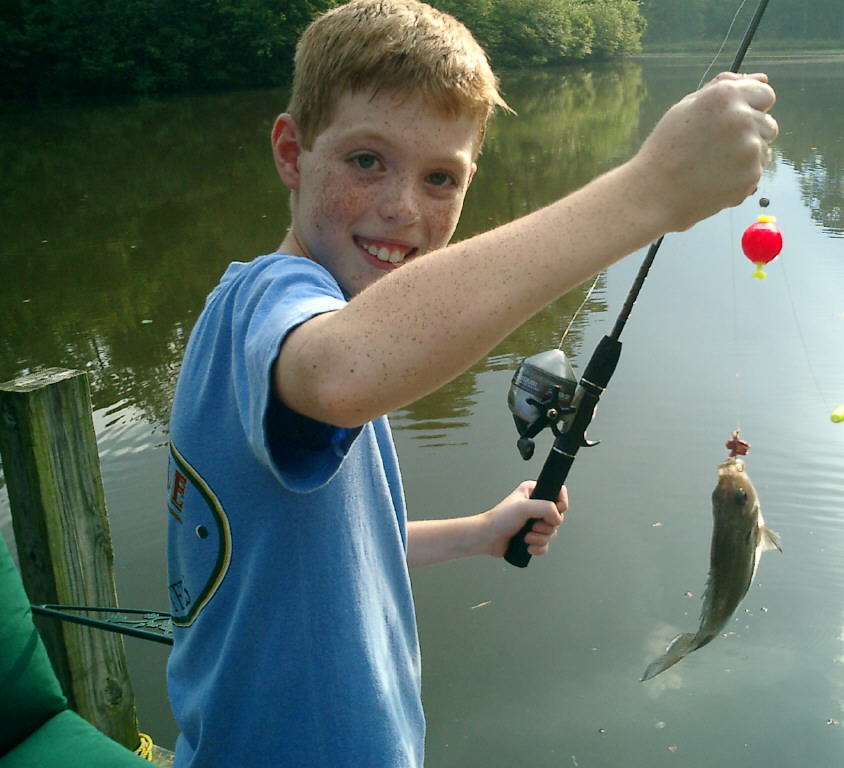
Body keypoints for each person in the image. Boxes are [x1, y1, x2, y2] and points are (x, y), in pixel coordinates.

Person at [165, 0, 778, 766]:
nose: (402, 207)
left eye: (440, 178)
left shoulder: (284, 322)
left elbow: (330, 548)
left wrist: (478, 533)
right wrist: (650, 190)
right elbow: (343, 372)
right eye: (366, 160)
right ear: (292, 154)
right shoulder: (274, 306)